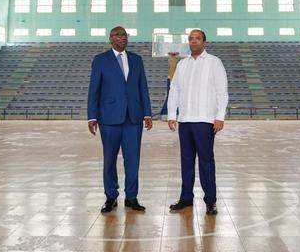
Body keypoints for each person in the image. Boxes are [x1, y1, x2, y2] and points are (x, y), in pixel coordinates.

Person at [87, 26, 153, 213]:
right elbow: (94, 90)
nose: (122, 38)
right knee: (109, 159)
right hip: (109, 119)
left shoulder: (137, 60)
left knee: (133, 159)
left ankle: (131, 197)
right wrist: (92, 116)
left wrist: (147, 113)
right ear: (111, 38)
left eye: (124, 35)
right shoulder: (100, 60)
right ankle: (111, 196)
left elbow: (143, 89)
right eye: (118, 35)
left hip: (133, 119)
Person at [167, 29, 228, 215]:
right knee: (186, 161)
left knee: (206, 162)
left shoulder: (214, 63)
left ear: (204, 42)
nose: (194, 42)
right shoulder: (182, 64)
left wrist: (220, 117)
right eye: (191, 39)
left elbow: (222, 92)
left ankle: (210, 200)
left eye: (197, 39)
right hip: (185, 120)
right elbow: (174, 90)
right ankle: (186, 198)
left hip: (205, 121)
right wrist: (171, 114)